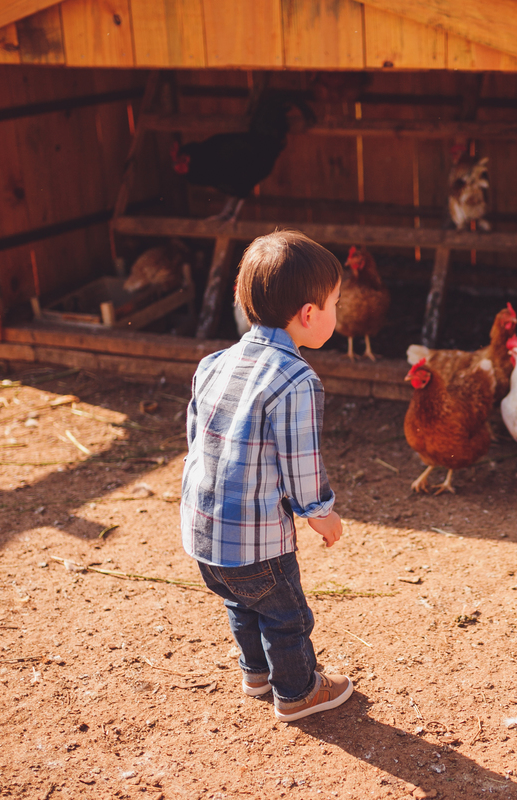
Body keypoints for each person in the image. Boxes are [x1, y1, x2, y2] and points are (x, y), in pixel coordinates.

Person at [181, 230, 353, 722]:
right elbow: (300, 466)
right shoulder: (296, 379)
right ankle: (297, 692)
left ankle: (256, 673)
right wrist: (320, 513)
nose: (336, 313)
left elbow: (196, 441)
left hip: (203, 535)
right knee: (286, 616)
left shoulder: (213, 363)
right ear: (307, 314)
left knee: (241, 602)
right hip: (257, 542)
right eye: (335, 303)